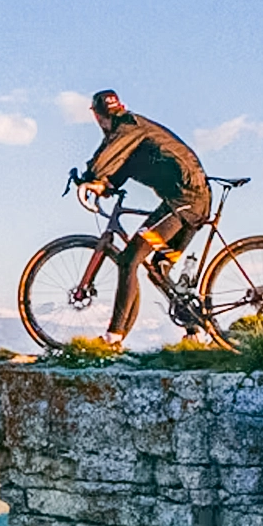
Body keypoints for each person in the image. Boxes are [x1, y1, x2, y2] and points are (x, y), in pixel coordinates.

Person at [79, 90, 211, 350]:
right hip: (191, 199)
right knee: (159, 269)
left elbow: (108, 155)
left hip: (184, 200)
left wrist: (88, 177)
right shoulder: (132, 132)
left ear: (97, 116)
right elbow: (122, 165)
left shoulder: (127, 126)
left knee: (129, 259)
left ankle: (113, 337)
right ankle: (195, 332)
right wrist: (104, 185)